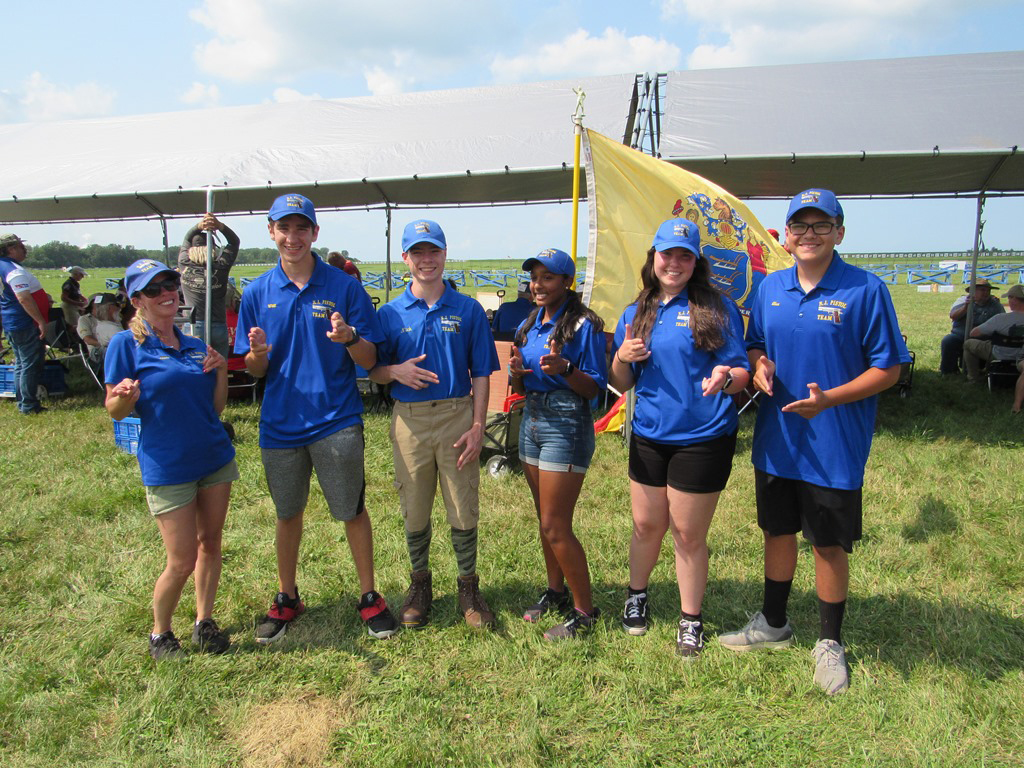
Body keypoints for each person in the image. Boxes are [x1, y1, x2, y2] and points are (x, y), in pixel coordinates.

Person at [718, 189, 910, 695]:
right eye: (799, 227)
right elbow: (755, 341)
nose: (808, 235)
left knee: (827, 543)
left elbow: (888, 369)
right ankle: (774, 623)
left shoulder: (865, 290)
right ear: (787, 236)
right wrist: (759, 364)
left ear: (839, 233)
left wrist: (830, 399)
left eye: (820, 226)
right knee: (777, 531)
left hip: (834, 443)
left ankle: (829, 643)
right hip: (778, 439)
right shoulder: (771, 288)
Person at [235, 193, 398, 643]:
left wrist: (349, 338)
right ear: (271, 232)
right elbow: (253, 370)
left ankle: (370, 597)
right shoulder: (256, 293)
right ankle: (287, 597)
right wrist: (257, 354)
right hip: (280, 424)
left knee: (352, 510)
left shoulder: (344, 287)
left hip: (337, 419)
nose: (293, 237)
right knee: (288, 514)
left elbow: (369, 359)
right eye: (284, 228)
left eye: (301, 228)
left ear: (315, 233)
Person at [608, 221, 749, 658]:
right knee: (647, 525)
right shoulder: (636, 312)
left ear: (695, 262)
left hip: (702, 437)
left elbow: (741, 371)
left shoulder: (716, 307)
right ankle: (637, 595)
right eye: (667, 254)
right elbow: (619, 381)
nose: (674, 263)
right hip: (649, 435)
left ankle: (691, 620)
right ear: (654, 258)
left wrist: (725, 378)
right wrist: (621, 356)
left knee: (688, 534)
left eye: (684, 256)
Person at [370, 220, 499, 630]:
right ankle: (420, 585)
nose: (427, 260)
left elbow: (481, 371)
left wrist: (479, 425)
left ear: (445, 255)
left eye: (434, 251)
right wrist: (395, 371)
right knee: (414, 505)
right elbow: (371, 370)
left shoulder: (467, 309)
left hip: (457, 416)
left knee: (462, 502)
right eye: (418, 252)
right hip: (409, 420)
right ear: (404, 257)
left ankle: (468, 587)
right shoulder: (390, 313)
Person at [105, 259, 236, 660]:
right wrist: (124, 398)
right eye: (154, 289)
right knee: (181, 561)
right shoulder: (125, 345)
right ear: (137, 300)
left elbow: (215, 409)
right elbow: (114, 410)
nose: (167, 294)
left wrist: (219, 372)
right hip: (168, 464)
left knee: (210, 545)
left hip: (214, 458)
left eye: (170, 285)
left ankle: (203, 621)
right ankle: (161, 633)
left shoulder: (195, 343)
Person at [508, 248, 607, 640]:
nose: (538, 285)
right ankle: (556, 591)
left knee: (555, 524)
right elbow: (520, 385)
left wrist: (566, 369)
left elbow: (595, 389)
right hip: (531, 418)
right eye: (534, 277)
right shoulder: (529, 324)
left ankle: (586, 612)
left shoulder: (583, 325)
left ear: (568, 282)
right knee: (544, 519)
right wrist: (517, 373)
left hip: (566, 422)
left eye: (548, 277)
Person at [178, 213, 240, 357]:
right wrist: (220, 226)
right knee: (219, 369)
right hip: (217, 324)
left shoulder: (183, 262)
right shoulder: (221, 266)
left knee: (193, 368)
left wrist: (198, 227)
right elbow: (234, 242)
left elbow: (187, 238)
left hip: (193, 324)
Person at [0, 233, 48, 414]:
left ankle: (24, 403)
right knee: (29, 364)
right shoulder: (13, 270)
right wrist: (40, 321)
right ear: (11, 249)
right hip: (24, 322)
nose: (24, 249)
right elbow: (24, 299)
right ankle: (28, 405)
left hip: (12, 321)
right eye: (20, 246)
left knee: (21, 364)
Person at [963, 283, 1024, 383]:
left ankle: (973, 377)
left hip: (999, 354)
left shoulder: (1000, 318)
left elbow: (973, 333)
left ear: (1013, 299)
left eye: (1009, 298)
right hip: (1022, 356)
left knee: (968, 344)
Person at [940, 278, 1003, 374]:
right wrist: (966, 307)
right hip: (960, 335)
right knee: (948, 341)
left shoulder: (995, 304)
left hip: (983, 338)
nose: (986, 293)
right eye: (982, 290)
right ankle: (948, 371)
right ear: (972, 291)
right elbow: (953, 316)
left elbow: (1001, 320)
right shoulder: (962, 300)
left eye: (988, 290)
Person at [78, 292, 123, 364]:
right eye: (97, 306)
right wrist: (105, 344)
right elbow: (88, 339)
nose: (119, 308)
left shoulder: (113, 318)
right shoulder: (84, 319)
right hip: (97, 350)